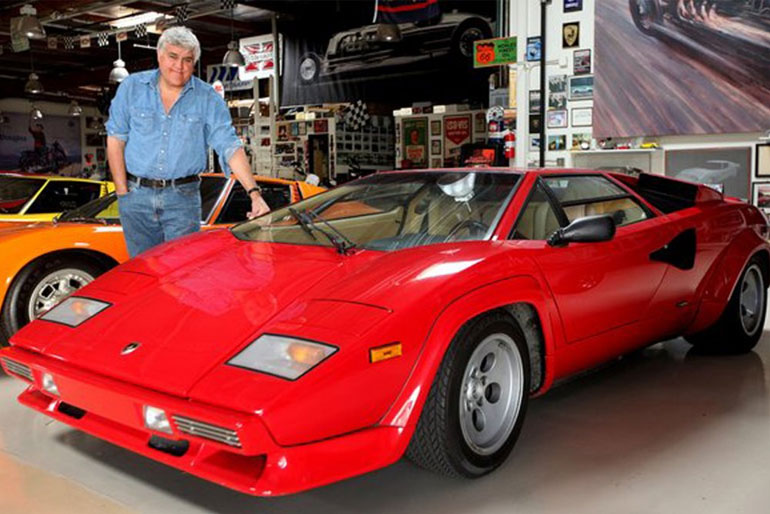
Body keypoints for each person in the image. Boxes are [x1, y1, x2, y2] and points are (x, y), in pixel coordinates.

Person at [106, 26, 269, 257]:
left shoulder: (207, 98)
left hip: (182, 199)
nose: (179, 66)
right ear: (160, 56)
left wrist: (254, 193)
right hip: (135, 197)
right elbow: (115, 140)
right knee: (141, 272)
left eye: (187, 60)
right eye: (173, 57)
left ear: (194, 63)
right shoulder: (132, 88)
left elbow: (230, 145)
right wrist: (123, 192)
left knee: (180, 272)